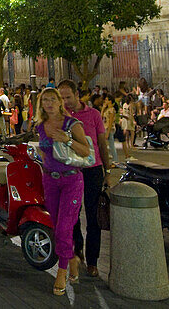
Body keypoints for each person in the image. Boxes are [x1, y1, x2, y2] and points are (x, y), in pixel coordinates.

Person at [36, 87, 91, 294]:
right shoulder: (41, 126)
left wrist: (66, 139)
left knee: (64, 228)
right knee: (57, 224)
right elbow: (43, 151)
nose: (49, 103)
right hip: (50, 181)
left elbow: (85, 150)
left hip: (71, 181)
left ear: (60, 102)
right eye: (45, 100)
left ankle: (61, 270)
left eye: (52, 99)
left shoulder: (72, 124)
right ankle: (72, 259)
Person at [57, 80, 110, 280]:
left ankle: (93, 261)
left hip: (93, 170)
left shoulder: (93, 115)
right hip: (70, 172)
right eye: (61, 98)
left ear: (78, 95)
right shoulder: (60, 118)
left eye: (68, 97)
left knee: (94, 215)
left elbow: (102, 144)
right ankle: (77, 250)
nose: (65, 102)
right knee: (72, 215)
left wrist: (108, 170)